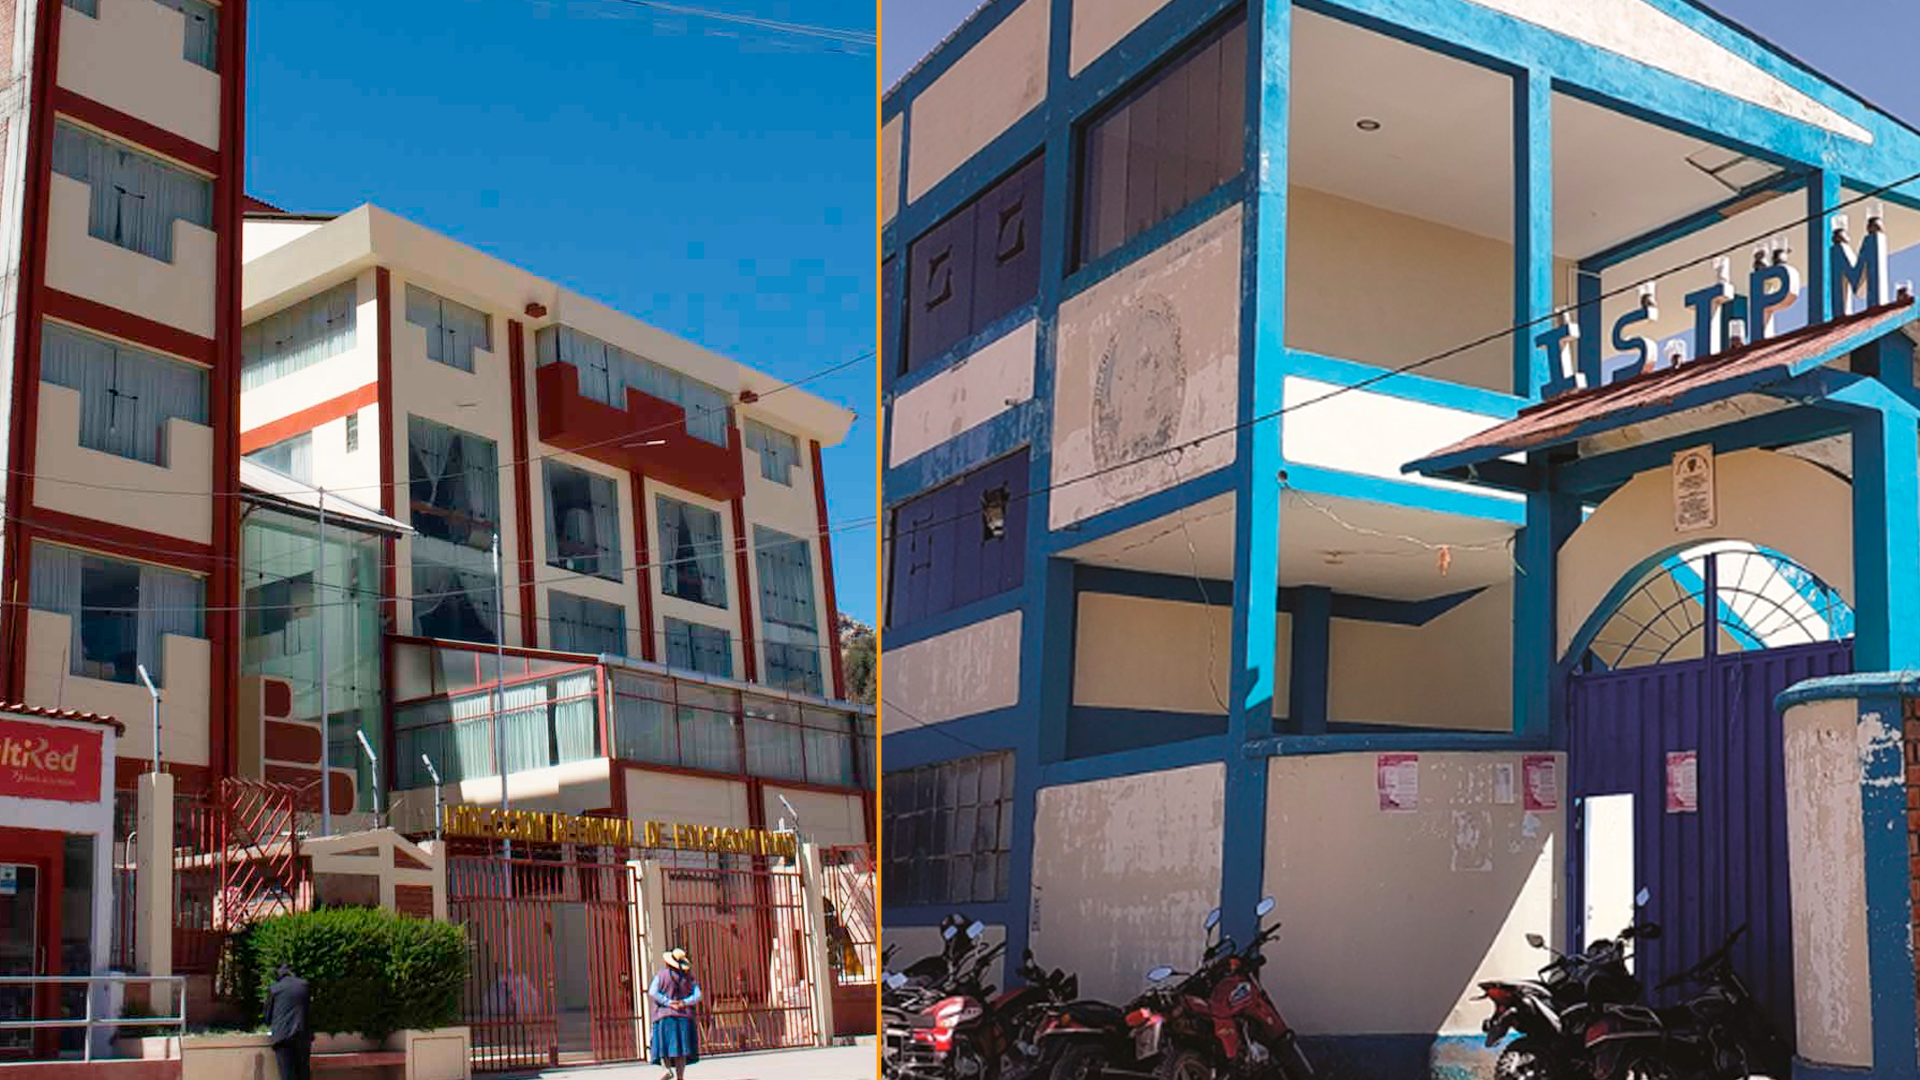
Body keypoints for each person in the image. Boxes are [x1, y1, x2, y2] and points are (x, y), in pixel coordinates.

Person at [649, 948, 702, 1080]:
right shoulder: (689, 978)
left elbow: (653, 992)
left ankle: (667, 1070)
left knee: (664, 1048)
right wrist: (684, 1002)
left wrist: (668, 1002)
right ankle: (680, 1077)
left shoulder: (660, 975)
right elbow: (697, 996)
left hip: (664, 1017)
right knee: (681, 1051)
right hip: (683, 1017)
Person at [265, 963, 313, 1080]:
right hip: (302, 1035)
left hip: (282, 1038)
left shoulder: (274, 988)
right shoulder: (304, 985)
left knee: (287, 1075)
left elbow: (267, 1016)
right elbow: (308, 1010)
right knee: (303, 1074)